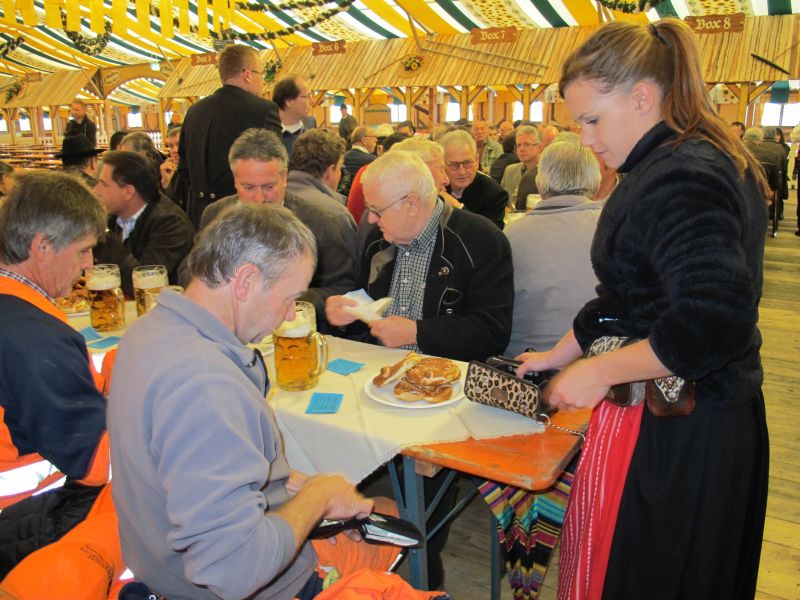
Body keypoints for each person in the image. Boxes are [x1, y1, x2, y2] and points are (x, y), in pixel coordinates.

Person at [517, 19, 769, 600]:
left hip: (683, 426)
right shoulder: (666, 163)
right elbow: (628, 297)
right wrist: (561, 353)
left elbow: (714, 319)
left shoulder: (681, 174)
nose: (585, 140)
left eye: (592, 120)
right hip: (670, 413)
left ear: (641, 97)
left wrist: (598, 370)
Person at [108, 203, 401, 600]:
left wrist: (300, 484)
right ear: (245, 281)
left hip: (160, 562)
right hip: (235, 588)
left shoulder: (149, 330)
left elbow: (192, 466)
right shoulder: (206, 385)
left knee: (372, 509)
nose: (288, 316)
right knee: (393, 525)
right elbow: (234, 570)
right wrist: (317, 498)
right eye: (289, 298)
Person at [326, 152, 513, 589]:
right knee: (322, 455)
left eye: (377, 209)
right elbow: (370, 304)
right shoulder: (379, 241)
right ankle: (349, 564)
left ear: (412, 203)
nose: (370, 220)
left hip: (445, 396)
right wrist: (347, 312)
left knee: (421, 509)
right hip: (378, 386)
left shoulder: (480, 239)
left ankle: (419, 579)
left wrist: (417, 331)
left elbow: (492, 332)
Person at [0, 171, 114, 578]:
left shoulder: (16, 310)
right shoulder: (33, 335)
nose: (89, 264)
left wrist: (121, 365)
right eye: (83, 250)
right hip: (20, 519)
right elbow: (97, 463)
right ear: (42, 246)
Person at [197, 128, 358, 328]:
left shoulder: (320, 223)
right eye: (248, 188)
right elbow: (191, 271)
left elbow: (342, 288)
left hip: (292, 329)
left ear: (284, 178)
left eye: (268, 187)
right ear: (235, 181)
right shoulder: (215, 215)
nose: (259, 198)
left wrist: (276, 298)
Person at [505, 141, 602, 356]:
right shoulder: (617, 229)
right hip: (604, 360)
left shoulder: (512, 234)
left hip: (524, 362)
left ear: (540, 184)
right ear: (596, 181)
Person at [178, 44, 281, 228]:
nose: (263, 81)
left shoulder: (194, 111)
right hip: (241, 217)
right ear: (247, 74)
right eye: (261, 74)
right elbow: (276, 165)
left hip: (198, 216)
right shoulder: (262, 110)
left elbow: (184, 168)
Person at [93, 151, 194, 296]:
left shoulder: (171, 223)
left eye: (103, 184)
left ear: (128, 192)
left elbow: (144, 284)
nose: (96, 190)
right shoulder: (114, 217)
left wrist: (103, 234)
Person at [440, 129, 508, 229]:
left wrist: (457, 207)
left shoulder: (495, 194)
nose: (462, 172)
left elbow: (490, 235)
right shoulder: (436, 187)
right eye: (454, 165)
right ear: (442, 163)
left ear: (476, 160)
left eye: (467, 163)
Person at [273, 74, 315, 155]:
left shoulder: (311, 124)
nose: (312, 101)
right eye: (306, 97)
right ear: (288, 101)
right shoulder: (269, 130)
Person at [500, 125, 542, 208]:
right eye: (518, 145)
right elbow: (502, 201)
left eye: (527, 144)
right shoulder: (509, 171)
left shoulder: (547, 173)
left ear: (539, 147)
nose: (522, 149)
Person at [342, 125, 377, 196]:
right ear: (364, 140)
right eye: (373, 137)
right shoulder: (373, 160)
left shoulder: (342, 157)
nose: (376, 140)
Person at [160, 125, 188, 210]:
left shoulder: (195, 172)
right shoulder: (165, 171)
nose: (175, 150)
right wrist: (165, 184)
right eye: (171, 146)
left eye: (179, 145)